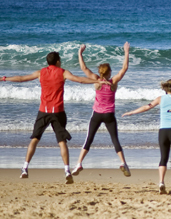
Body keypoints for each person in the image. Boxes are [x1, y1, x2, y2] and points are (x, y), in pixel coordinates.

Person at [3, 51, 100, 184]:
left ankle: (25, 168)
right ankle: (67, 171)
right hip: (58, 112)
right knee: (62, 142)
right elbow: (80, 80)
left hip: (43, 111)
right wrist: (98, 80)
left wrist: (4, 78)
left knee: (35, 139)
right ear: (58, 61)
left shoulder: (41, 72)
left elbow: (21, 78)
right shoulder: (63, 72)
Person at [73, 42, 132, 177]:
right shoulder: (113, 82)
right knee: (115, 139)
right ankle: (123, 163)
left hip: (97, 114)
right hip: (109, 115)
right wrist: (126, 52)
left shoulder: (96, 81)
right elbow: (124, 68)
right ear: (109, 72)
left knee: (89, 139)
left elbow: (83, 68)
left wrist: (80, 53)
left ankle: (79, 163)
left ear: (100, 72)